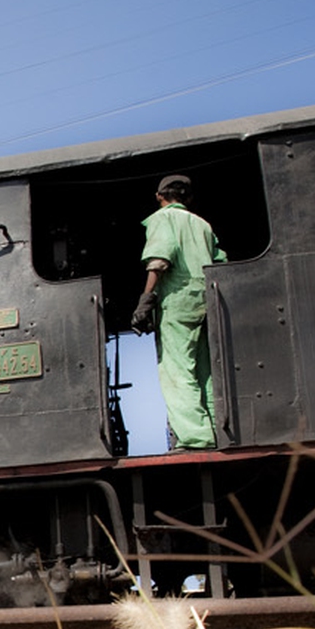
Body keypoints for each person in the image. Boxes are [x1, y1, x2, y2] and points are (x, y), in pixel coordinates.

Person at [130, 174, 225, 450]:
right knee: (205, 370)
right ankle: (217, 430)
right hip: (207, 298)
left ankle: (196, 438)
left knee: (176, 370)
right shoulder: (203, 225)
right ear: (188, 198)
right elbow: (221, 261)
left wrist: (146, 299)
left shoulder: (162, 219)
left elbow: (160, 260)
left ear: (159, 196)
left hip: (178, 299)